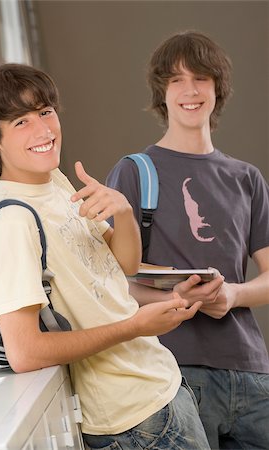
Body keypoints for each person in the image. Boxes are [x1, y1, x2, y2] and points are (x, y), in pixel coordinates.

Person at [0, 63, 211, 450]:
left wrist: (125, 212)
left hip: (160, 387)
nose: (44, 131)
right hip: (131, 423)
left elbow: (123, 267)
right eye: (21, 122)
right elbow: (25, 352)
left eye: (45, 112)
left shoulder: (55, 182)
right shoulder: (11, 221)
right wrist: (135, 326)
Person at [106, 31, 269, 450]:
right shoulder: (133, 173)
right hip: (173, 373)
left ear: (218, 88)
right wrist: (173, 298)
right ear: (162, 92)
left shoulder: (246, 178)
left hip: (252, 373)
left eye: (201, 78)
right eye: (176, 80)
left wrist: (232, 294)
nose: (190, 90)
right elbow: (106, 283)